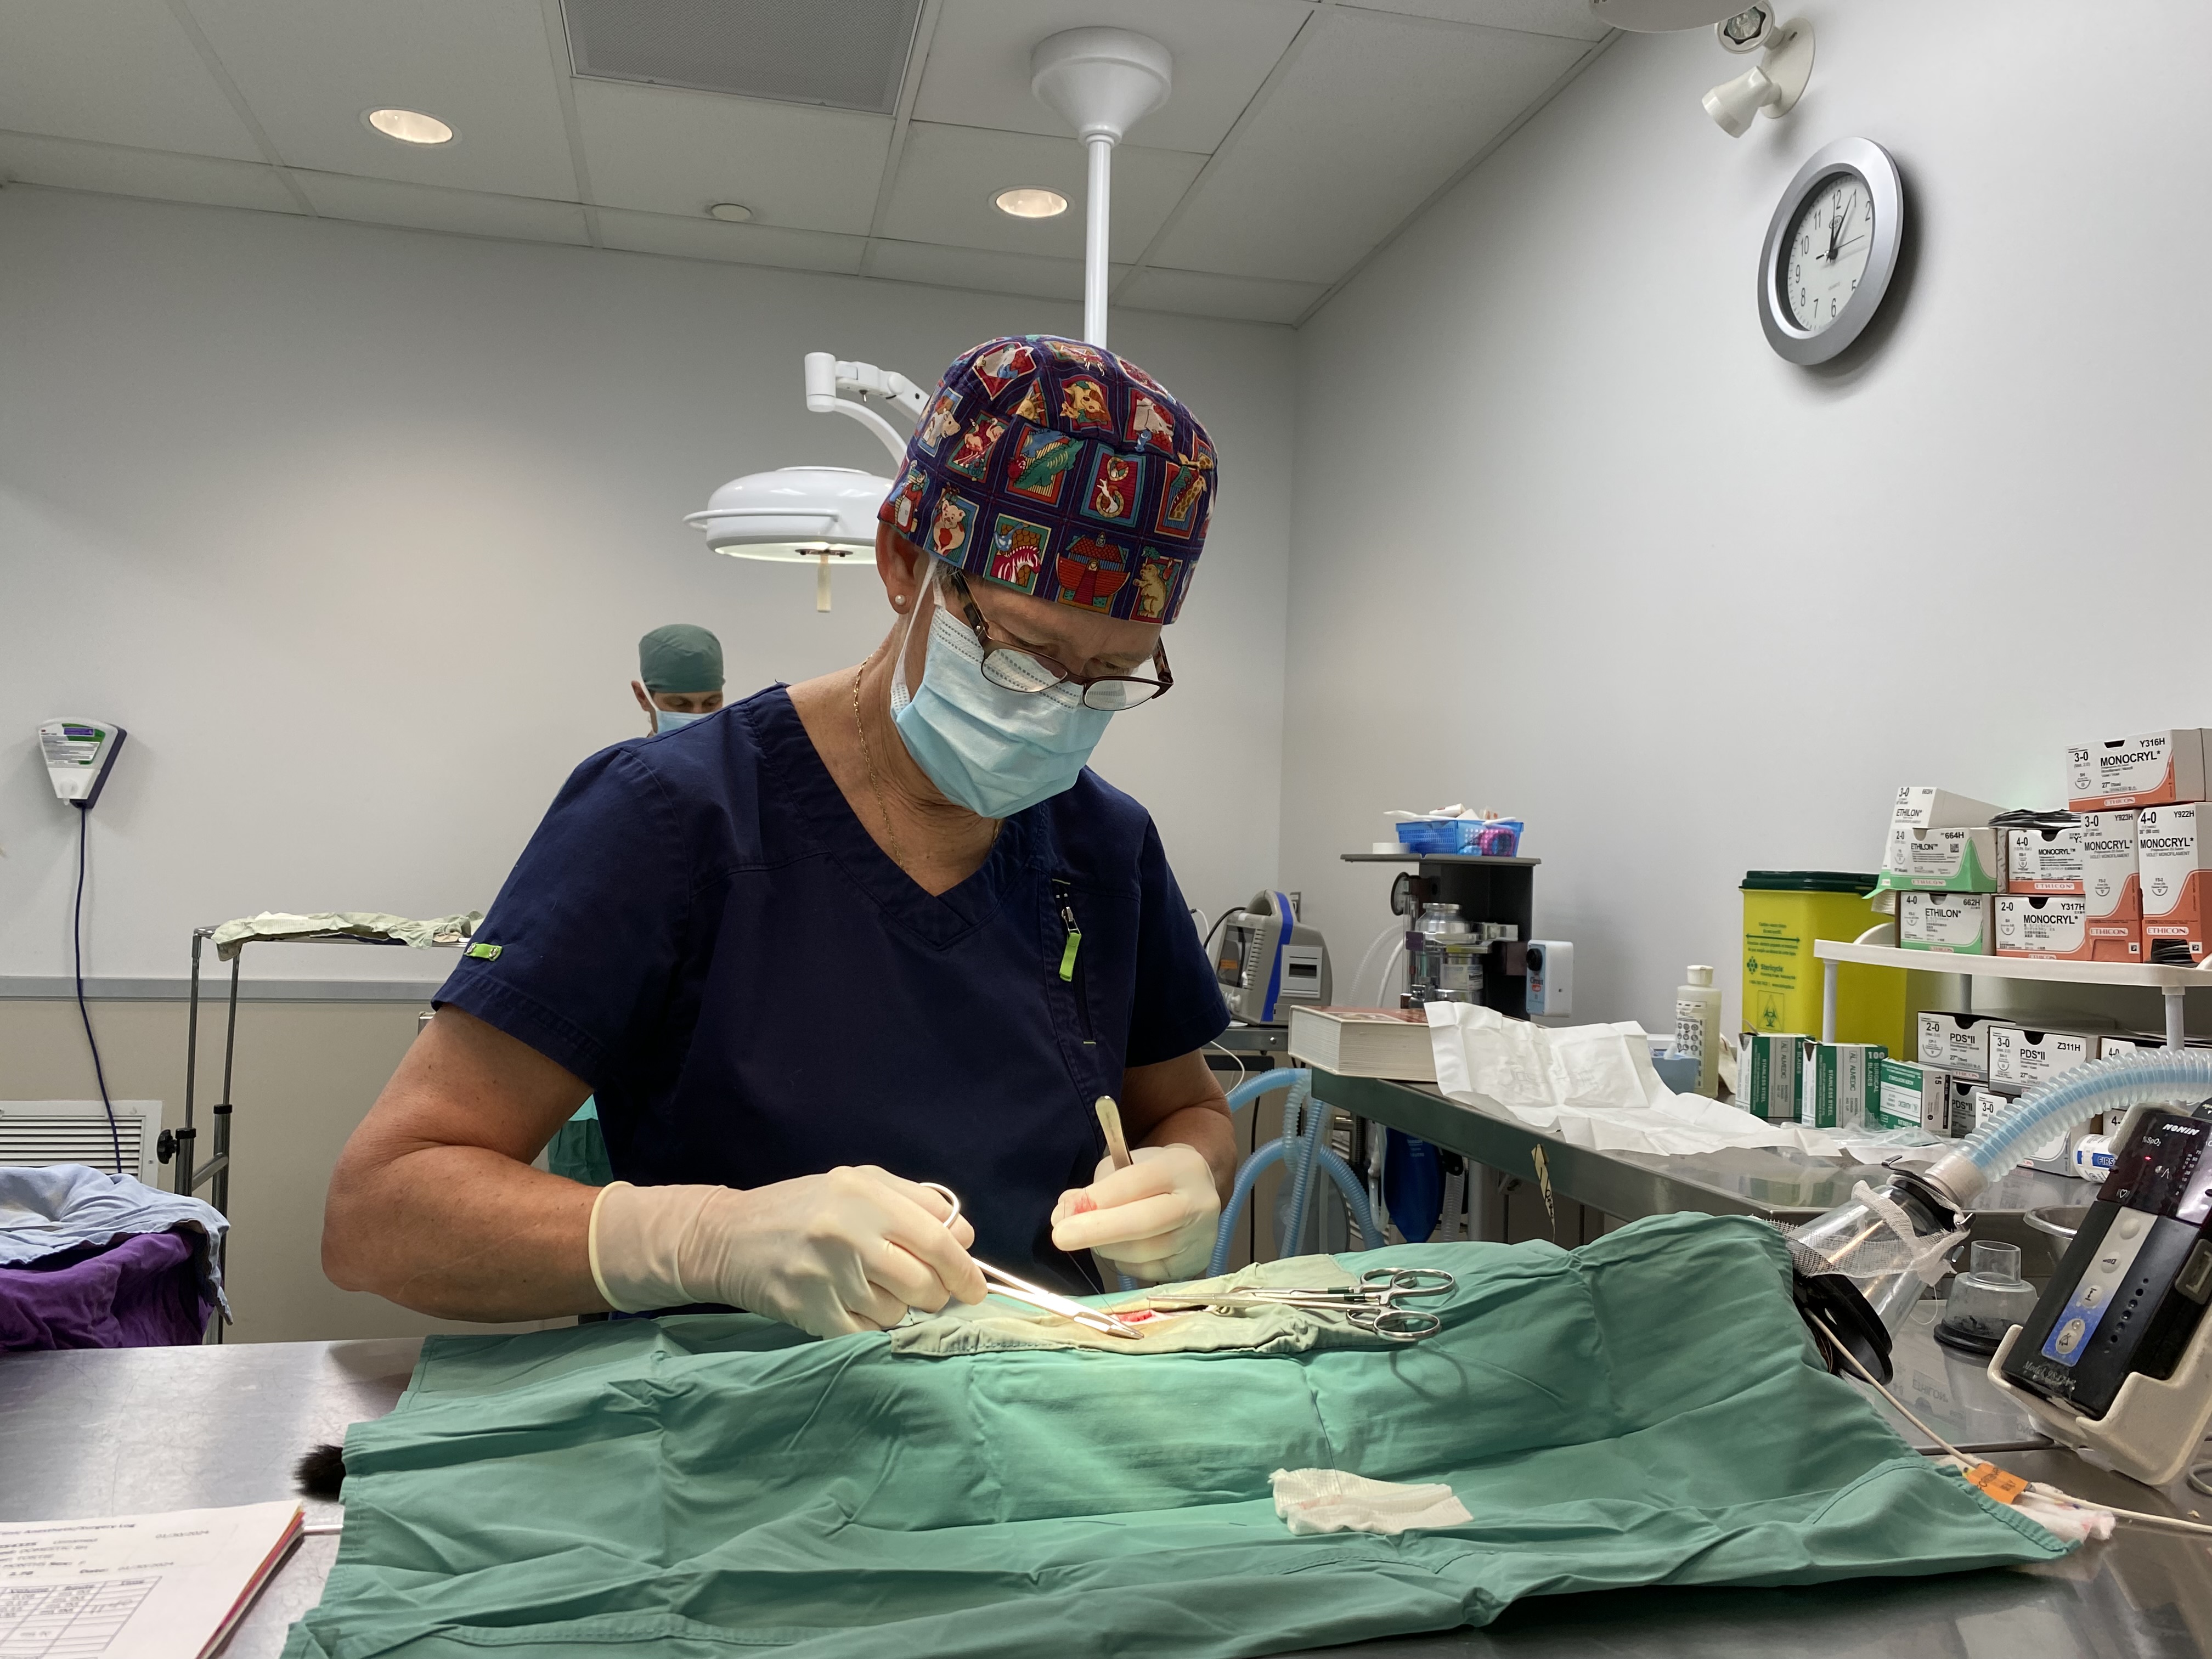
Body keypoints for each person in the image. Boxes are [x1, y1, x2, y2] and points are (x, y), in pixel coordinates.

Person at [323, 335, 1232, 1339]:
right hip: (731, 1438)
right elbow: (380, 1211)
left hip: (1029, 1419)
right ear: (903, 562)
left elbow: (1183, 1110)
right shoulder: (669, 814)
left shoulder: (1103, 845)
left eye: (1111, 674)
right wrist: (708, 1237)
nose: (1060, 707)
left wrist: (1190, 1172)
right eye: (1026, 653)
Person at [631, 623, 725, 735]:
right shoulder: (628, 752)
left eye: (711, 703)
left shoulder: (744, 750)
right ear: (642, 697)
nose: (698, 718)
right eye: (680, 704)